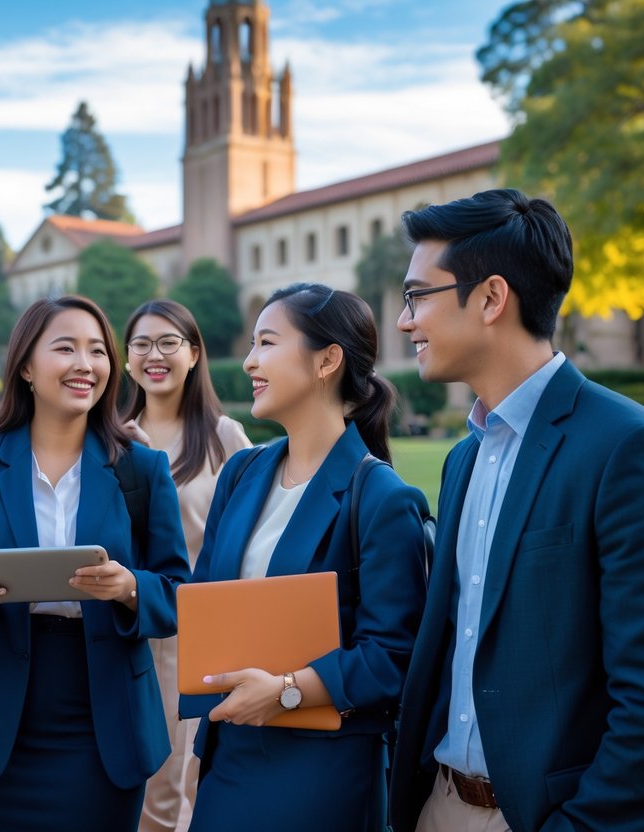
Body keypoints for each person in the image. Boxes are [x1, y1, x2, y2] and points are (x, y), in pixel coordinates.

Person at [388, 189, 644, 832]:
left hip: (545, 817)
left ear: (490, 298)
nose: (405, 321)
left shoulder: (624, 446)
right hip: (439, 804)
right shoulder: (462, 460)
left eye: (417, 296)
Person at [0, 294, 192, 832]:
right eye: (66, 348)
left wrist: (128, 588)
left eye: (98, 351)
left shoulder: (141, 468)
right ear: (26, 365)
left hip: (104, 721)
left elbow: (177, 596)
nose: (85, 364)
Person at [184, 283, 429, 831]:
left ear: (327, 360)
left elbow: (393, 655)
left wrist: (287, 690)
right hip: (229, 757)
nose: (249, 361)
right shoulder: (240, 475)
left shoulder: (384, 499)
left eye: (266, 343)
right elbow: (205, 601)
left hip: (324, 771)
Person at [117, 299, 251, 832]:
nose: (156, 355)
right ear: (125, 359)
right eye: (142, 344)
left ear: (194, 354)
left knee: (193, 779)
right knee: (144, 784)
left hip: (202, 636)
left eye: (169, 342)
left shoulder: (226, 439)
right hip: (129, 630)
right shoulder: (113, 437)